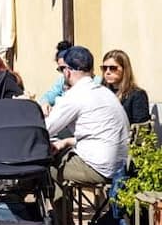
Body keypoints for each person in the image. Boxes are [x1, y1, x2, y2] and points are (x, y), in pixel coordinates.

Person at [46, 46, 130, 205]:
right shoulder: (105, 92)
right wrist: (64, 142)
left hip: (100, 168)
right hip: (122, 165)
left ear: (67, 71)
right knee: (60, 154)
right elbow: (96, 133)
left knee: (46, 168)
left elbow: (45, 129)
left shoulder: (75, 95)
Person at [101, 49, 150, 125]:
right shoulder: (101, 92)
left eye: (113, 68)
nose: (107, 72)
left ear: (124, 69)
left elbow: (141, 129)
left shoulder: (137, 95)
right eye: (104, 68)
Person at [37, 40, 76, 115]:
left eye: (68, 67)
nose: (66, 72)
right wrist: (45, 104)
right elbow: (49, 96)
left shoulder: (94, 82)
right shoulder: (62, 80)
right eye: (61, 69)